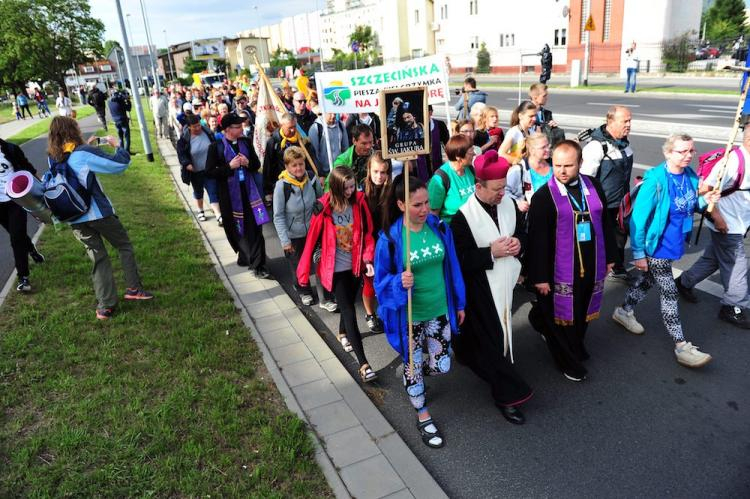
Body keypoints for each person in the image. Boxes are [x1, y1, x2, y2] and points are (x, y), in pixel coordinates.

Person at [612, 134, 720, 368]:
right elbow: (638, 221)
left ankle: (624, 311)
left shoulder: (690, 176)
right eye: (681, 151)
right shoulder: (656, 180)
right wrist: (639, 253)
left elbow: (690, 204)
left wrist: (706, 200)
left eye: (691, 151)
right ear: (668, 153)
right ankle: (682, 346)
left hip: (674, 243)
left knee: (648, 280)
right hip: (656, 245)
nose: (688, 155)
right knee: (669, 292)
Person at [374, 174, 465, 448]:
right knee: (414, 369)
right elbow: (380, 283)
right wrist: (397, 281)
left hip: (439, 310)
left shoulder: (438, 227)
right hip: (409, 316)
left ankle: (410, 373)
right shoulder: (390, 239)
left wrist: (459, 303)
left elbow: (453, 268)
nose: (425, 209)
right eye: (417, 205)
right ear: (401, 205)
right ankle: (422, 413)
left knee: (442, 364)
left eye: (426, 203)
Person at [451, 150, 533, 423]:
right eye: (496, 189)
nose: (502, 194)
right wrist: (490, 253)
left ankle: (466, 352)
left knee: (494, 339)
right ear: (479, 187)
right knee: (493, 342)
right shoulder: (462, 217)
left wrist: (519, 244)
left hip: (506, 284)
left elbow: (522, 232)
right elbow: (458, 260)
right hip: (480, 290)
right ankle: (508, 396)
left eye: (503, 187)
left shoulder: (509, 202)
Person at [45, 116, 153, 320]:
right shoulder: (83, 152)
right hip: (97, 213)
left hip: (73, 217)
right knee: (124, 246)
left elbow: (71, 168)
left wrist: (87, 145)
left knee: (98, 258)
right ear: (73, 131)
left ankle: (106, 305)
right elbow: (119, 164)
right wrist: (118, 145)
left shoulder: (52, 156)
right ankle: (134, 289)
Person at [526, 140, 616, 381]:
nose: (562, 171)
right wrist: (540, 277)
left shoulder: (593, 186)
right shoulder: (544, 197)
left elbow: (606, 223)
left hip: (592, 263)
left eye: (568, 165)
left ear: (580, 164)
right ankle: (568, 360)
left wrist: (610, 257)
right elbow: (537, 241)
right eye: (557, 165)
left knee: (583, 308)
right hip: (559, 270)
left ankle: (571, 342)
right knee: (562, 317)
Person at [296, 166, 377, 382]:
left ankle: (342, 333)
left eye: (353, 186)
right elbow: (311, 239)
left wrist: (368, 258)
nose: (352, 190)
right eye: (347, 187)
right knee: (350, 311)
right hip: (336, 269)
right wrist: (303, 273)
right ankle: (364, 364)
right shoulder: (323, 208)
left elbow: (368, 233)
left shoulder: (359, 202)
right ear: (337, 188)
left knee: (349, 302)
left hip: (356, 266)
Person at [677, 128, 750, 329]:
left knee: (714, 259)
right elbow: (705, 189)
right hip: (727, 223)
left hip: (738, 221)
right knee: (736, 264)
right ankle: (733, 306)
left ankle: (683, 282)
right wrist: (717, 218)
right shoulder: (732, 161)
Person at [206, 113, 271, 278]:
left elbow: (256, 164)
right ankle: (244, 255)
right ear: (228, 129)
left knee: (256, 227)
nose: (242, 128)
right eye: (238, 126)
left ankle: (259, 265)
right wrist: (229, 166)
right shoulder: (216, 147)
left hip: (250, 193)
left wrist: (248, 163)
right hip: (229, 197)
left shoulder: (246, 142)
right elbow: (210, 172)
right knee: (235, 229)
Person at [272, 146, 333, 307]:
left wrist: (320, 209)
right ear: (287, 167)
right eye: (294, 165)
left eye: (301, 164)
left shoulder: (312, 179)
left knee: (319, 261)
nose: (298, 168)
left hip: (313, 231)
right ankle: (303, 290)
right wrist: (285, 241)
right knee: (299, 264)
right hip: (294, 234)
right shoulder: (281, 187)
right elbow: (278, 216)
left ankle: (325, 296)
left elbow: (321, 200)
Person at [581, 106, 634, 280]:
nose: (629, 124)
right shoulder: (597, 147)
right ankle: (593, 269)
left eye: (630, 120)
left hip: (622, 203)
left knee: (620, 236)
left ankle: (617, 267)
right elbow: (586, 180)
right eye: (624, 121)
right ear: (610, 122)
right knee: (600, 238)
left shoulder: (625, 144)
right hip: (602, 205)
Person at [0, 138, 46, 293]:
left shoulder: (10, 149)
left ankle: (23, 278)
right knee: (15, 233)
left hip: (16, 200)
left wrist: (45, 189)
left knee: (16, 237)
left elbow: (28, 169)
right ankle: (31, 249)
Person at [361, 151, 392, 333]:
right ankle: (370, 313)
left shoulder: (391, 190)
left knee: (388, 280)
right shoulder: (361, 193)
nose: (379, 176)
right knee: (369, 284)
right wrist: (365, 255)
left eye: (383, 172)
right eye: (375, 172)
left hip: (388, 243)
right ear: (369, 171)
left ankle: (388, 311)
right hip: (369, 246)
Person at [176, 113, 221, 224]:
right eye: (194, 126)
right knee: (198, 192)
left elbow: (215, 146)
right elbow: (181, 154)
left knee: (213, 191)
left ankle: (218, 214)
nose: (197, 128)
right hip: (196, 172)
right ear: (189, 127)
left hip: (209, 169)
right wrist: (187, 164)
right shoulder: (184, 139)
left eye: (198, 125)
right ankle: (200, 210)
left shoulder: (208, 133)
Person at [262, 113, 315, 196]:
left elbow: (311, 160)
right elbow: (268, 167)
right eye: (290, 128)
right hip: (283, 185)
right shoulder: (274, 142)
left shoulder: (303, 140)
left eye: (294, 127)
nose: (293, 130)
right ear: (281, 126)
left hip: (303, 182)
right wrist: (268, 190)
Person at [428, 134, 476, 224]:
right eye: (471, 152)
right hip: (452, 230)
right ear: (458, 157)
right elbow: (433, 214)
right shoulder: (440, 179)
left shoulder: (470, 169)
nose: (474, 154)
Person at [505, 132, 553, 213]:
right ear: (532, 150)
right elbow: (504, 191)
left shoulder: (554, 165)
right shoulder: (519, 170)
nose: (547, 149)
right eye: (543, 147)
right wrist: (518, 203)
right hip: (531, 218)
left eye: (548, 145)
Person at [309, 110, 348, 178]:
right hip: (324, 174)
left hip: (339, 171)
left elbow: (345, 149)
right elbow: (314, 155)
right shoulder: (316, 128)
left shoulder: (341, 125)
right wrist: (320, 174)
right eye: (330, 113)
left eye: (335, 113)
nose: (333, 116)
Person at [415, 105, 450, 182]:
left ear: (430, 113)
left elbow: (448, 145)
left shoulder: (440, 125)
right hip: (419, 167)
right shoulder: (413, 127)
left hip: (436, 164)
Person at [498, 100, 538, 165]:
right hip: (515, 171)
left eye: (535, 116)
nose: (534, 119)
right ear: (520, 116)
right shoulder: (514, 132)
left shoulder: (532, 132)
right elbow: (501, 154)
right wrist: (520, 162)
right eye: (531, 116)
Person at [529, 83, 565, 148]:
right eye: (544, 96)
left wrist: (553, 128)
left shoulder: (547, 113)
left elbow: (550, 137)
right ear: (535, 97)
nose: (547, 98)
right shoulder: (524, 112)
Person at [109, 84, 134, 155]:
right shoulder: (120, 101)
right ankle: (127, 151)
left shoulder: (109, 101)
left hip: (115, 120)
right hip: (123, 120)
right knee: (126, 136)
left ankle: (122, 151)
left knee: (120, 137)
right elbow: (128, 109)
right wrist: (128, 100)